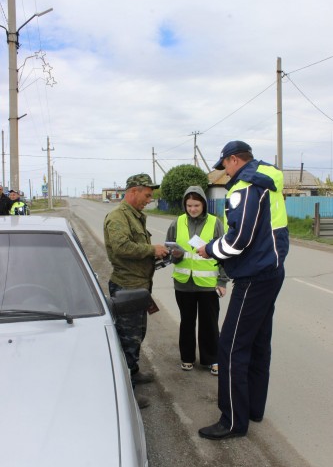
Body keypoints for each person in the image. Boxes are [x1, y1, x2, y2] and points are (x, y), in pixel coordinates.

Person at [197, 140, 289, 440]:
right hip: (271, 270)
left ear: (235, 160)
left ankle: (232, 421)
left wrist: (210, 249)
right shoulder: (268, 182)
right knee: (258, 342)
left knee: (231, 346)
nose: (224, 172)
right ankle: (253, 409)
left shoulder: (245, 187)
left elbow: (238, 240)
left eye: (224, 165)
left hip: (254, 276)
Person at [104, 173, 169, 408]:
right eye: (147, 195)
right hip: (127, 287)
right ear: (133, 191)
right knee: (127, 339)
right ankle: (126, 394)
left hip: (139, 285)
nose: (149, 200)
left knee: (137, 335)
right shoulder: (118, 217)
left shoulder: (135, 216)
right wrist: (152, 250)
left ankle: (133, 372)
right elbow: (122, 248)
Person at [166, 186, 228, 375]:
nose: (192, 209)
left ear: (203, 204)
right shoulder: (177, 223)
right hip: (183, 284)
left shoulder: (215, 223)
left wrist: (222, 281)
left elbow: (224, 253)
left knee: (209, 323)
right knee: (187, 322)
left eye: (196, 205)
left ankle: (212, 359)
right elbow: (169, 251)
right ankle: (187, 358)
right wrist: (175, 255)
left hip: (208, 284)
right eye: (189, 205)